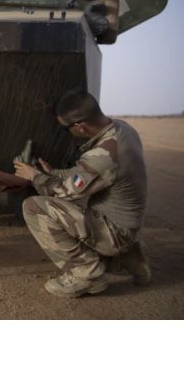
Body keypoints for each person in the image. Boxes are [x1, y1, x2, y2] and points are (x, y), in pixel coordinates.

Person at [13, 90, 151, 298]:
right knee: (71, 209)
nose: (67, 132)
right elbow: (86, 174)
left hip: (114, 232)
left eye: (66, 128)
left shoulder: (103, 156)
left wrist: (34, 176)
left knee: (34, 207)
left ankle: (86, 275)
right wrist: (54, 173)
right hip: (125, 226)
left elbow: (66, 193)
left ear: (80, 126)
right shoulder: (122, 129)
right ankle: (127, 257)